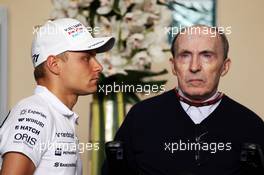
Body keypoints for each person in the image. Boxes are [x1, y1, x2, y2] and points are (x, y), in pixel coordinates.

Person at [102, 25, 264, 175]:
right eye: (185, 56)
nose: (194, 67)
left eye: (207, 56)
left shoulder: (251, 125)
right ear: (173, 65)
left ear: (224, 66)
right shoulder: (140, 117)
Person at [0, 18, 115, 175]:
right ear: (54, 64)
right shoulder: (35, 112)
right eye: (86, 58)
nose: (98, 66)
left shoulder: (57, 115)